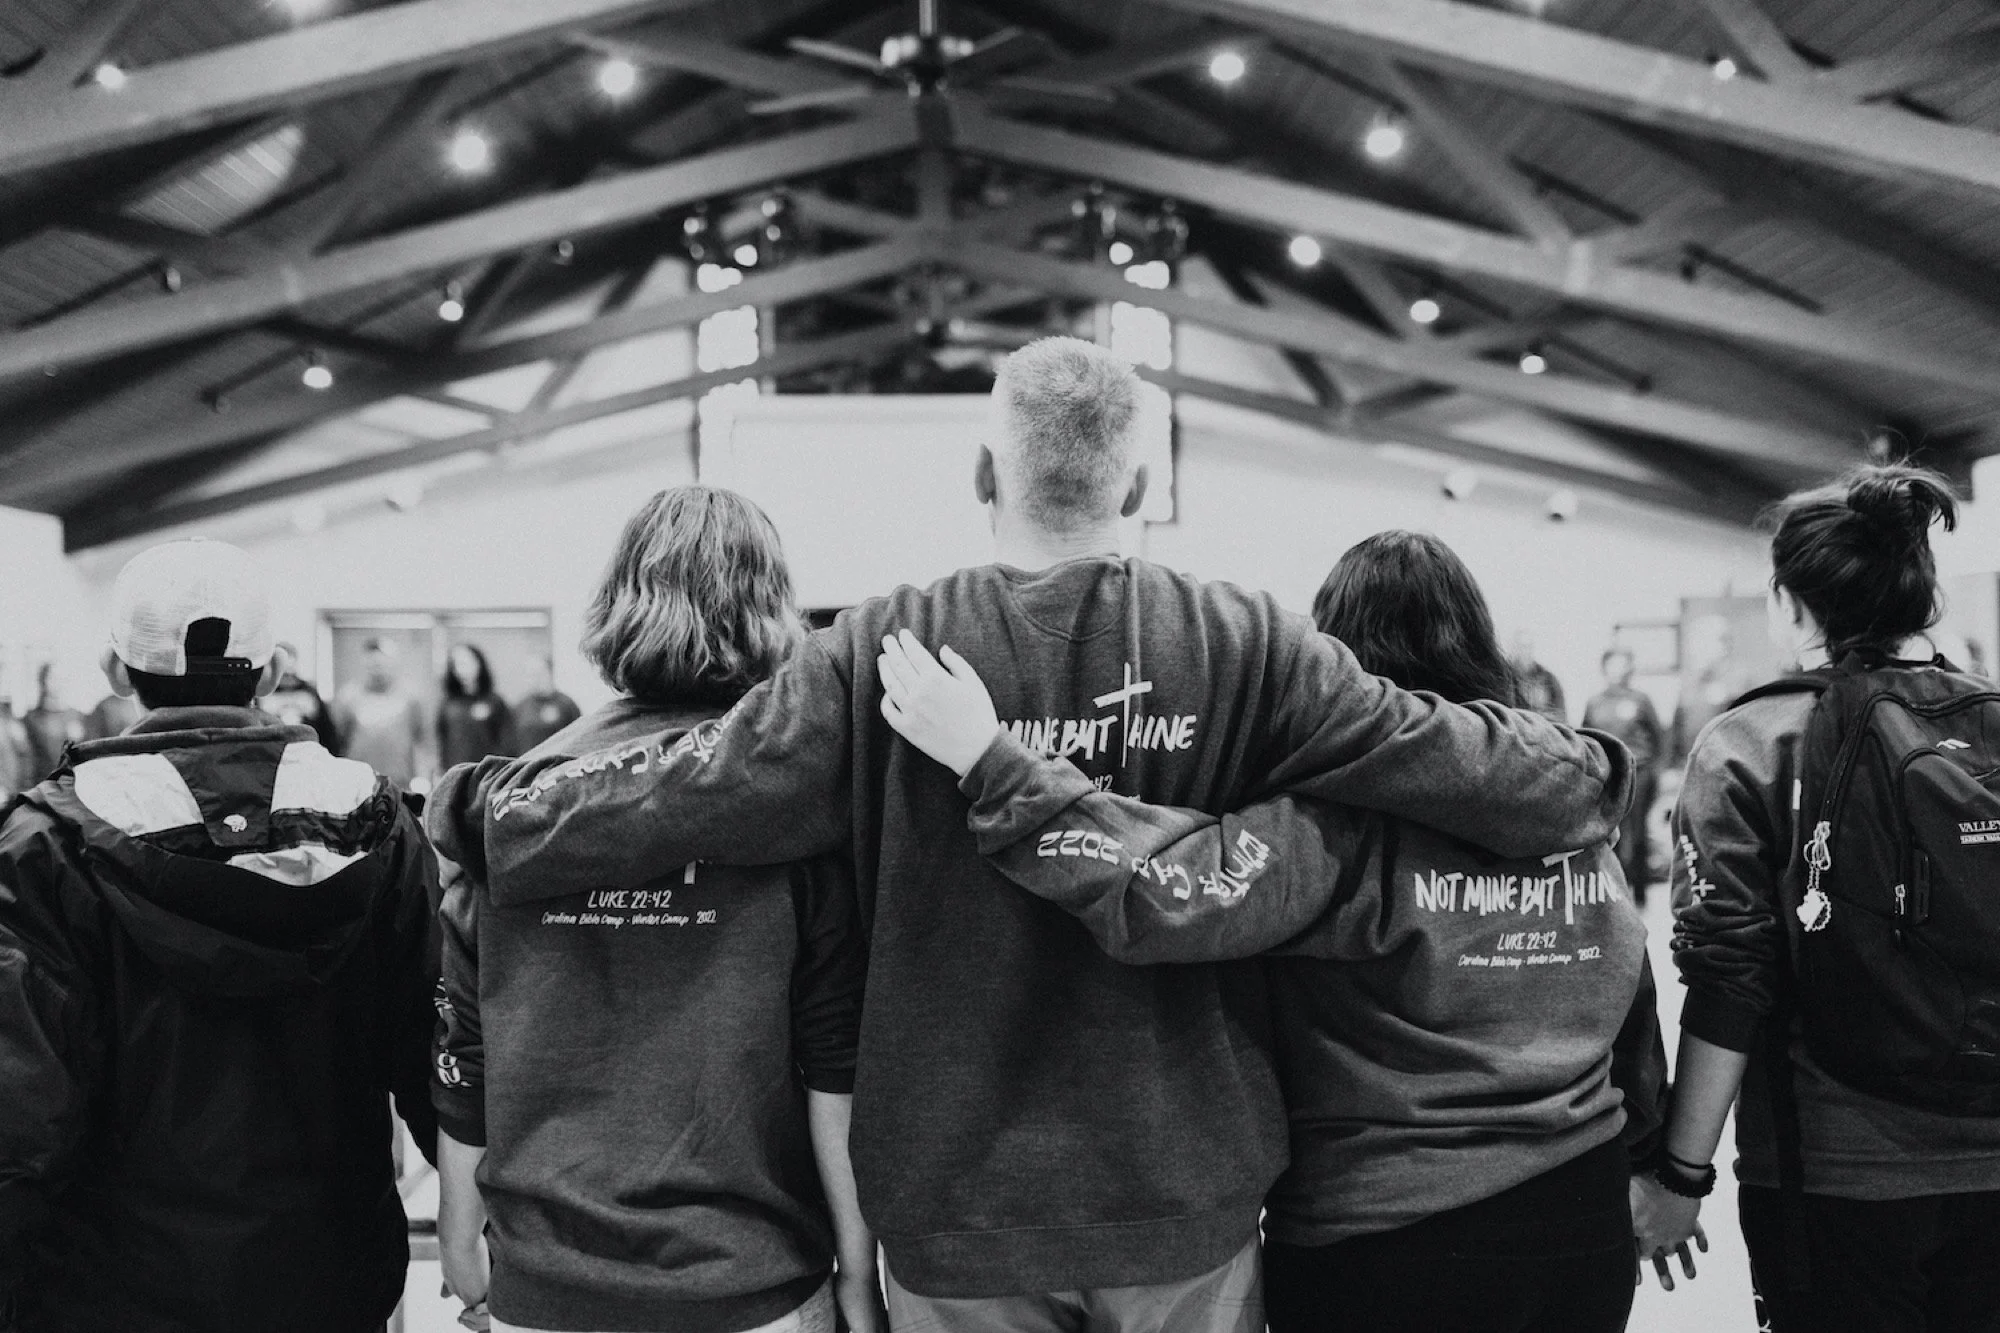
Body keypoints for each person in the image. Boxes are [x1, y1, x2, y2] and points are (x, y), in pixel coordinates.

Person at [440, 337, 1631, 1329]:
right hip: (1182, 1192)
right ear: (1140, 485)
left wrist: (480, 812)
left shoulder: (882, 649)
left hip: (958, 1208)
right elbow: (1461, 758)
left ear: (980, 471)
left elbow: (686, 789)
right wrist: (1591, 776)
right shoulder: (1246, 645)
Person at [873, 530, 1670, 1333]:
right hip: (1583, 1216)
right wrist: (1659, 1163)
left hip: (1391, 1237)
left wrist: (993, 763)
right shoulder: (1572, 805)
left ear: (1337, 661)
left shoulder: (1336, 826)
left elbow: (1165, 890)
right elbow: (1630, 991)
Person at [428, 488, 879, 1333]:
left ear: (615, 601)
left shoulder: (513, 805)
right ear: (771, 609)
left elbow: (464, 1053)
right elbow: (835, 1070)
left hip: (548, 1286)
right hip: (748, 1283)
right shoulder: (797, 814)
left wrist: (459, 1237)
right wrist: (859, 1270)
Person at [0, 538, 441, 1333]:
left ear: (114, 669)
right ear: (273, 672)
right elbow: (436, 1058)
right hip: (331, 1279)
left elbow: (19, 1112)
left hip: (107, 1288)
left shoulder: (45, 843)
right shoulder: (379, 825)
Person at [1635, 464, 2000, 1331]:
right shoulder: (1992, 723)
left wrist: (1681, 1173)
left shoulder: (1751, 742)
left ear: (1792, 604)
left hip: (1836, 1172)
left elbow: (1728, 975)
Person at [1582, 646, 1665, 906]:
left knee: (1638, 835)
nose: (1617, 670)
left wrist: (1657, 773)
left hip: (1639, 774)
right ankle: (1615, 894)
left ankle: (1639, 895)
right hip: (1608, 776)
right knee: (1610, 835)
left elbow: (1658, 738)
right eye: (1612, 665)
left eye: (1622, 664)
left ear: (1629, 668)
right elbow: (1585, 739)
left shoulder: (1641, 700)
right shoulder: (1595, 702)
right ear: (1605, 668)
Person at [334, 637, 429, 789]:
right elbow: (338, 743)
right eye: (373, 662)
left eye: (382, 661)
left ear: (392, 662)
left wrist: (423, 777)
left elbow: (422, 741)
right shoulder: (348, 697)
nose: (377, 666)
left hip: (400, 783)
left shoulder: (411, 697)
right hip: (359, 784)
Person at [438, 643, 513, 771]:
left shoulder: (495, 702)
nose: (462, 669)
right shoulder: (448, 705)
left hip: (488, 774)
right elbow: (442, 744)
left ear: (478, 663)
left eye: (466, 663)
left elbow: (507, 743)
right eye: (457, 664)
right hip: (457, 773)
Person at [21, 665, 87, 782]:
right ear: (42, 681)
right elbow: (26, 759)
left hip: (74, 784)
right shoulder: (31, 719)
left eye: (61, 678)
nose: (57, 683)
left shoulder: (78, 717)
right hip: (42, 783)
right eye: (52, 678)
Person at [507, 657, 581, 754]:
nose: (535, 679)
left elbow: (579, 737)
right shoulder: (520, 707)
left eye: (539, 673)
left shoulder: (566, 704)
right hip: (527, 761)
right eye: (531, 675)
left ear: (550, 673)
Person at [261, 661, 341, 751]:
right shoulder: (264, 694)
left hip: (309, 750)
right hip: (273, 751)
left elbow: (327, 731)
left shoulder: (309, 693)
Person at [1510, 631, 1568, 724]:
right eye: (1519, 647)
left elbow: (1560, 716)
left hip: (1543, 728)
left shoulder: (1549, 681)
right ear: (1513, 649)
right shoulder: (1505, 678)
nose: (1523, 651)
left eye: (1527, 647)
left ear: (1532, 649)